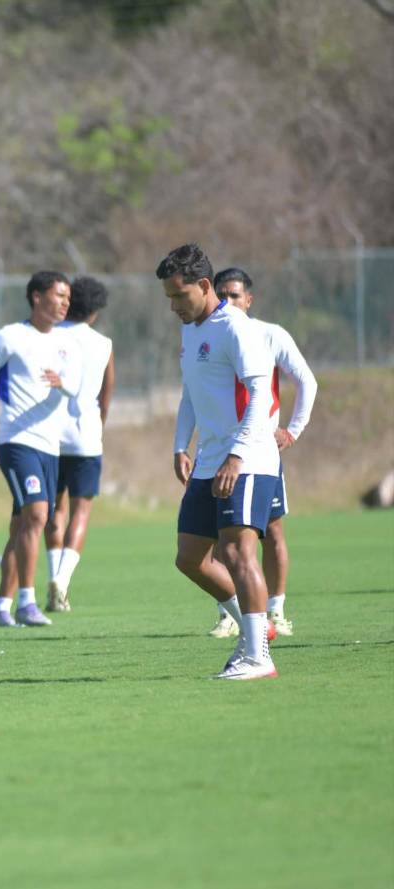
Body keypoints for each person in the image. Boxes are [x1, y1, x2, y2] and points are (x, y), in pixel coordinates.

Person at [161, 243, 281, 680]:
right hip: (210, 460)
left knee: (235, 550)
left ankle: (257, 656)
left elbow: (260, 396)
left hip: (246, 458)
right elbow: (192, 392)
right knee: (190, 558)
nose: (174, 306)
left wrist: (236, 454)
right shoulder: (191, 330)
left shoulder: (237, 329)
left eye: (179, 296)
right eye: (169, 298)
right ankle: (256, 627)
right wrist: (180, 445)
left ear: (205, 285)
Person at [204, 267, 316, 638]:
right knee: (224, 534)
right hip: (221, 448)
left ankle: (276, 610)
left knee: (271, 529)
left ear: (249, 300)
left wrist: (293, 430)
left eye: (235, 295)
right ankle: (229, 613)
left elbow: (306, 381)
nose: (229, 301)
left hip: (259, 451)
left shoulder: (269, 334)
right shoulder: (211, 335)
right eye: (223, 295)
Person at [0, 271, 79, 628]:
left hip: (50, 446)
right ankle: (27, 603)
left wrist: (64, 384)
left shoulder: (66, 344)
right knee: (38, 516)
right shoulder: (9, 337)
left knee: (22, 527)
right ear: (36, 297)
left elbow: (76, 387)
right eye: (58, 295)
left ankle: (1, 607)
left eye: (67, 297)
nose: (64, 303)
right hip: (16, 441)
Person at [44, 276, 115, 612]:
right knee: (80, 511)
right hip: (86, 436)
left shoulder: (50, 336)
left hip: (49, 435)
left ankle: (52, 576)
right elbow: (106, 393)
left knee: (54, 509)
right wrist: (98, 425)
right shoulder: (104, 344)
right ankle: (63, 579)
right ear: (96, 312)